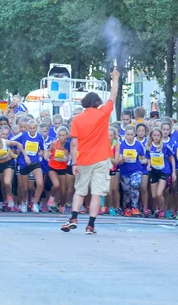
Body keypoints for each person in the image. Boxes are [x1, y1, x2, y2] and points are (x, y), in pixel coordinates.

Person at [61, 67, 120, 234]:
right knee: (96, 193)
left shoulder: (77, 120)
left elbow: (74, 143)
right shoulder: (103, 113)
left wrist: (74, 162)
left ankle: (73, 217)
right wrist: (114, 78)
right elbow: (113, 95)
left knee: (80, 191)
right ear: (97, 103)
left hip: (84, 159)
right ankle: (91, 225)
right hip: (101, 159)